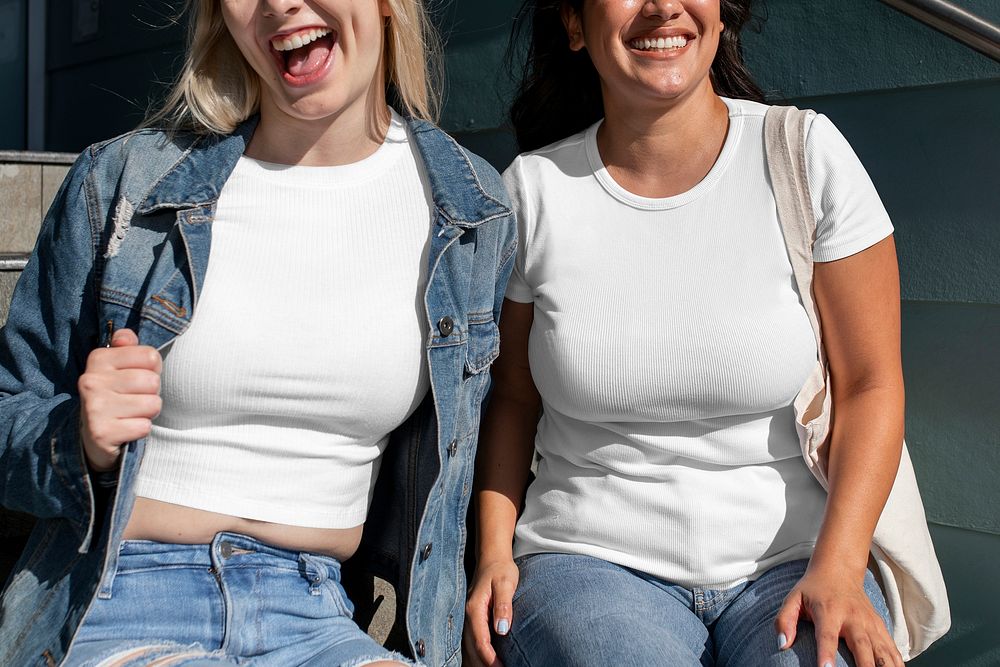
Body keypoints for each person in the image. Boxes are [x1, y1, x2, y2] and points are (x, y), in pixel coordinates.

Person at [0, 0, 516, 665]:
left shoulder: (472, 212)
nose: (278, 5)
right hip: (119, 599)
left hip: (316, 611)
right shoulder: (126, 184)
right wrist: (78, 439)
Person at [465, 1, 949, 666]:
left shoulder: (805, 157)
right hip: (588, 565)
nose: (664, 5)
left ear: (721, 15)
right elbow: (513, 396)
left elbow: (870, 383)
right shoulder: (535, 191)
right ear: (575, 25)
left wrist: (838, 566)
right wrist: (493, 553)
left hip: (797, 559)